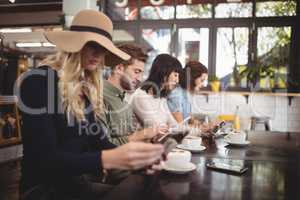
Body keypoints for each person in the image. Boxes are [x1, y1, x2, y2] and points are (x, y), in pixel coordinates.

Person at [18, 10, 164, 200]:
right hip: (43, 191)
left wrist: (136, 159)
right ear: (74, 43)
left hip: (74, 186)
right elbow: (44, 159)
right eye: (92, 45)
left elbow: (97, 141)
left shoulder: (84, 89)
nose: (98, 53)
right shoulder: (38, 81)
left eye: (103, 48)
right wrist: (109, 159)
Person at [103, 43, 166, 146]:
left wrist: (149, 137)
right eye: (137, 72)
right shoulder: (100, 96)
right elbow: (103, 146)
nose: (140, 79)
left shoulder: (124, 99)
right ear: (119, 68)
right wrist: (143, 134)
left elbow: (130, 137)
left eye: (141, 73)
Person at [131, 54, 182, 128]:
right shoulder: (140, 96)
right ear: (164, 72)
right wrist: (170, 128)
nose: (177, 80)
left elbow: (174, 125)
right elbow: (156, 127)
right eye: (175, 75)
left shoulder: (161, 98)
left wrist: (197, 130)